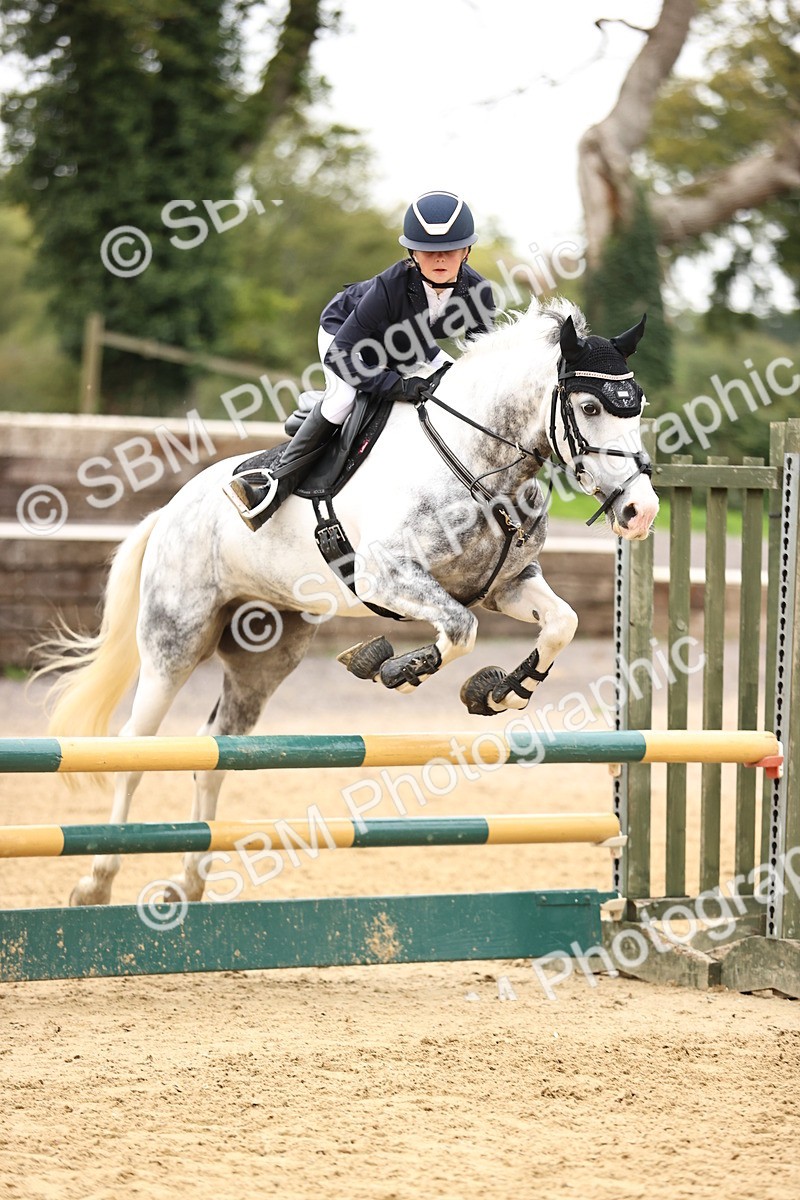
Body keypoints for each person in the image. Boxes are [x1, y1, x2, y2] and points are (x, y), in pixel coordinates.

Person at [225, 190, 496, 530]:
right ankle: (272, 486)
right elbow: (342, 354)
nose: (439, 259)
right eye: (428, 251)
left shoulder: (478, 292)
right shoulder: (390, 286)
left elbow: (485, 362)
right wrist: (396, 386)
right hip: (346, 338)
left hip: (407, 342)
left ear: (467, 250)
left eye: (450, 250)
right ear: (412, 251)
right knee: (343, 399)